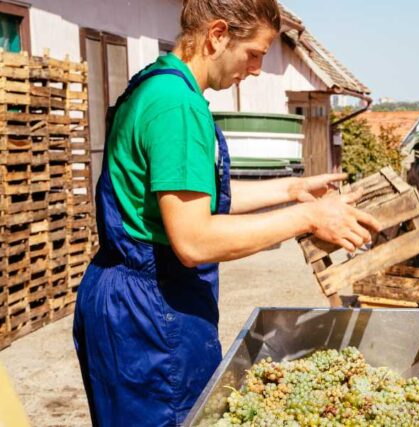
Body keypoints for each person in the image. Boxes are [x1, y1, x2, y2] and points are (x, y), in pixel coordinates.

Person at [72, 0, 382, 425]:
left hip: (126, 297)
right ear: (217, 35)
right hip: (150, 314)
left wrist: (290, 190)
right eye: (253, 53)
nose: (255, 68)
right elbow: (194, 239)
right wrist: (307, 219)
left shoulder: (157, 85)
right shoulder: (176, 107)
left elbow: (192, 195)